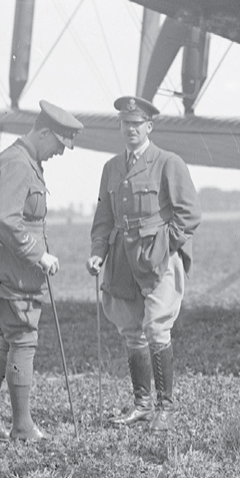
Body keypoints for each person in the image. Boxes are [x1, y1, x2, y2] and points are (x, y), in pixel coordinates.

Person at [87, 96, 202, 432]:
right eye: (125, 124)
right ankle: (142, 405)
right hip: (122, 259)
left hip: (158, 259)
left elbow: (189, 214)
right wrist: (98, 252)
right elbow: (103, 218)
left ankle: (165, 409)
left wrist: (166, 246)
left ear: (149, 127)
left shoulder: (168, 162)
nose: (131, 130)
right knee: (131, 332)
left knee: (156, 328)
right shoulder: (111, 168)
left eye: (137, 124)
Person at [0, 101, 83, 443]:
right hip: (14, 271)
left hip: (13, 269)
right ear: (45, 133)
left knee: (8, 340)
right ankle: (22, 429)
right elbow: (7, 219)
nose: (60, 154)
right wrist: (40, 255)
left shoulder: (24, 161)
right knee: (22, 338)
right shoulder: (18, 164)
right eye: (59, 146)